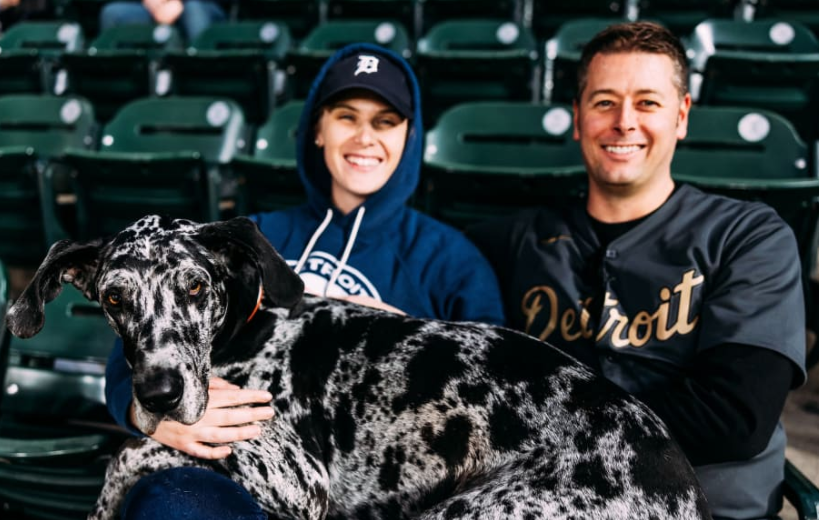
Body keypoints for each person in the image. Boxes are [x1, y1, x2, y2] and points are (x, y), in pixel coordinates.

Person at [103, 43, 505, 518]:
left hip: (381, 492)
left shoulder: (449, 259)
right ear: (318, 128)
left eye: (385, 122)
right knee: (169, 502)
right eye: (346, 117)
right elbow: (134, 351)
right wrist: (149, 418)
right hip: (239, 479)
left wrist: (397, 331)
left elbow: (493, 392)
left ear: (408, 136)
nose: (364, 138)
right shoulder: (257, 236)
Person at [468, 21, 807, 520]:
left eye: (647, 102)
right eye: (604, 102)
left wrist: (535, 423)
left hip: (708, 509)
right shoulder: (518, 240)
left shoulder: (748, 236)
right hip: (551, 505)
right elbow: (416, 260)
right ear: (578, 118)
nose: (624, 121)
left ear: (682, 116)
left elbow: (735, 417)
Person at [99, 0, 226, 42]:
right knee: (112, 13)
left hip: (201, 5)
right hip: (154, 7)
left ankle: (201, 75)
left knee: (194, 9)